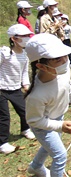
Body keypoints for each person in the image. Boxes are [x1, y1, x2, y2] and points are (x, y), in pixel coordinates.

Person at [24, 33, 71, 177]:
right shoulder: (36, 95)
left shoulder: (63, 72)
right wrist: (59, 126)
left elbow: (66, 86)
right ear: (40, 65)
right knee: (60, 155)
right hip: (43, 127)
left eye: (65, 55)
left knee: (49, 147)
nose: (64, 61)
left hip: (58, 118)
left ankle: (36, 166)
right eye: (57, 59)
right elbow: (34, 120)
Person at [0, 24, 35, 154]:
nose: (27, 38)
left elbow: (24, 72)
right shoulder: (4, 53)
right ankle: (2, 142)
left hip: (15, 89)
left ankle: (25, 129)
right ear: (14, 39)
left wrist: (26, 85)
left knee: (24, 110)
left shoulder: (25, 54)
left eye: (28, 36)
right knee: (4, 116)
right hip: (2, 89)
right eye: (24, 36)